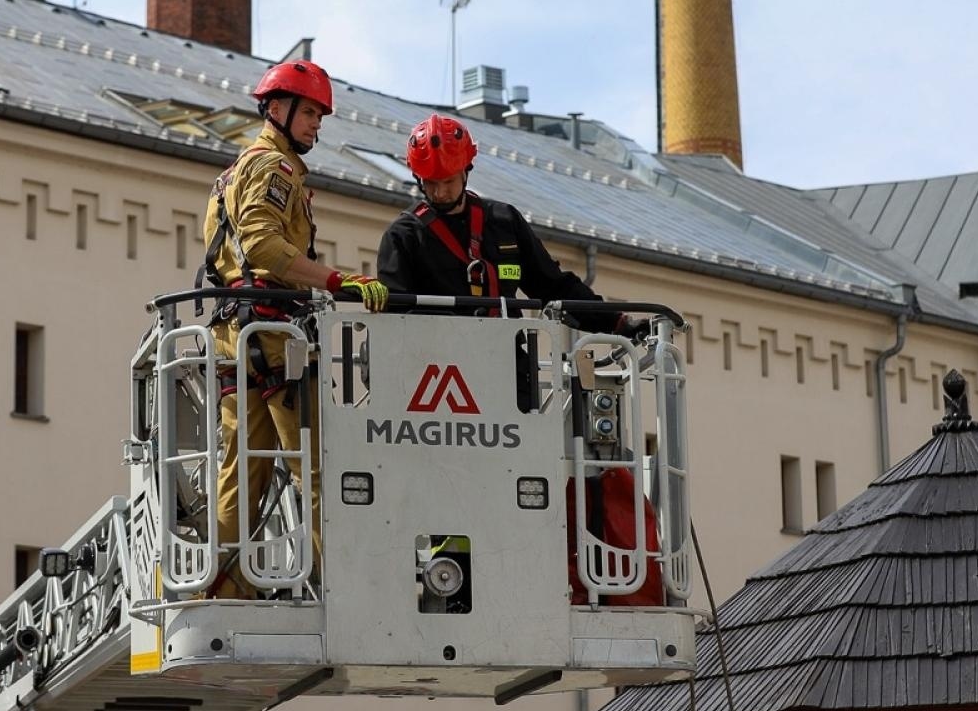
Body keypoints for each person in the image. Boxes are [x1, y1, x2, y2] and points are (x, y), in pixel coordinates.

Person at [199, 60, 388, 597]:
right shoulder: (274, 169)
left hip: (238, 334)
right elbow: (262, 248)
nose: (316, 125)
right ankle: (348, 588)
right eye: (309, 112)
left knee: (243, 470)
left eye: (320, 116)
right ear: (276, 110)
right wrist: (338, 281)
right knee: (318, 465)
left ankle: (221, 587)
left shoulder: (238, 169)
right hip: (273, 336)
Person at [377, 113, 647, 380]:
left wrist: (618, 323)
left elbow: (552, 285)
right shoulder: (403, 237)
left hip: (507, 369)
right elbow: (396, 317)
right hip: (434, 374)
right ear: (418, 179)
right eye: (431, 183)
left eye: (448, 181)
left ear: (466, 171)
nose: (440, 192)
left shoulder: (503, 222)